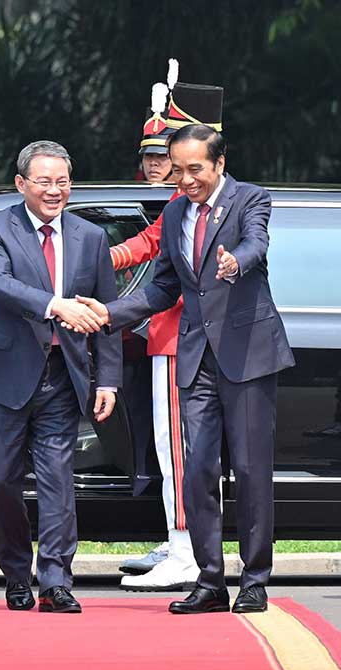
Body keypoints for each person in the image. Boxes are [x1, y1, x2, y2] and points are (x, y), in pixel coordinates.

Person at [76, 114, 296, 614]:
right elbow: (163, 287)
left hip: (246, 356)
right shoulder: (176, 214)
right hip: (194, 358)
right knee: (196, 471)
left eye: (196, 169)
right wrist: (110, 313)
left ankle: (255, 578)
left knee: (250, 469)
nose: (187, 180)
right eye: (178, 170)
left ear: (220, 163)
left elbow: (256, 243)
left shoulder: (250, 199)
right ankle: (210, 580)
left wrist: (236, 260)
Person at [0, 140, 122, 614]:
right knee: (2, 480)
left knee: (58, 480)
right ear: (21, 184)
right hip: (4, 374)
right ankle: (15, 573)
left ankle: (56, 581)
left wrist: (107, 379)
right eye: (43, 182)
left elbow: (103, 311)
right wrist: (54, 305)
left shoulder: (91, 237)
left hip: (62, 375)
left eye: (62, 181)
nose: (54, 190)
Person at [113, 65, 203, 591]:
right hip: (178, 339)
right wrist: (102, 259)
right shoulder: (183, 203)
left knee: (178, 453)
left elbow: (146, 248)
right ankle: (181, 542)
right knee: (176, 455)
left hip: (176, 339)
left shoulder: (192, 203)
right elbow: (141, 245)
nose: (167, 166)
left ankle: (186, 550)